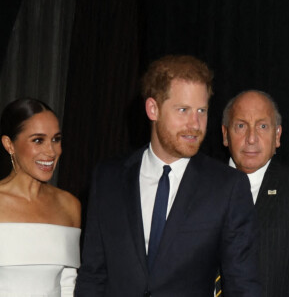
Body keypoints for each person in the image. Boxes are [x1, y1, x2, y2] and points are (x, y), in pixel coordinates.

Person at [75, 55, 261, 296]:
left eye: (201, 111)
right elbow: (92, 274)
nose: (195, 124)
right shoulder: (108, 178)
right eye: (183, 110)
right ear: (153, 109)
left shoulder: (228, 187)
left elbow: (242, 285)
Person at [222, 90, 289, 296]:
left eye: (262, 126)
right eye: (241, 126)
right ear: (225, 134)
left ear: (277, 136)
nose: (251, 138)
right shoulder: (198, 189)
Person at [0, 98, 81, 296]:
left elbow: (69, 282)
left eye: (56, 139)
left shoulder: (69, 205)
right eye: (38, 140)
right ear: (9, 144)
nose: (51, 151)